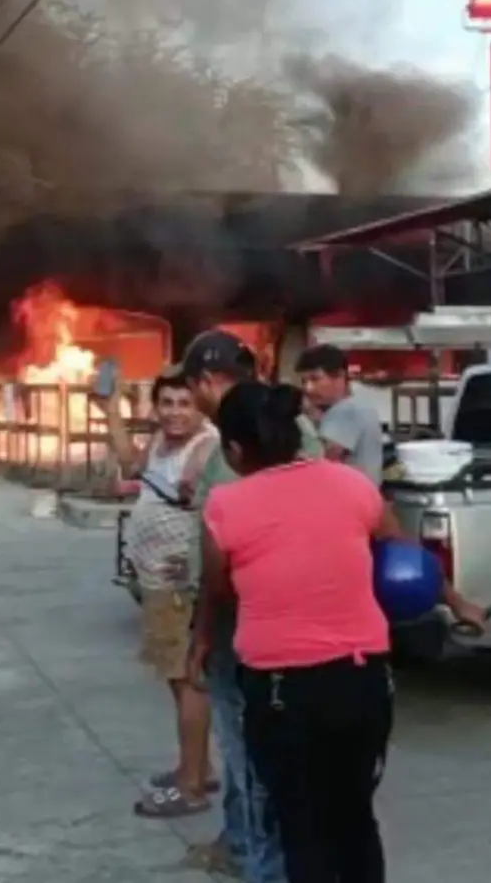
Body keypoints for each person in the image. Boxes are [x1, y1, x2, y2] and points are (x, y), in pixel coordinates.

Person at [195, 382, 491, 883]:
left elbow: (218, 591)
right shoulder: (352, 485)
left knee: (300, 828)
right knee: (354, 819)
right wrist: (460, 603)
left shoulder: (226, 507)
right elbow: (404, 559)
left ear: (236, 450)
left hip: (278, 691)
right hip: (360, 683)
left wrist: (202, 640)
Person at [176, 329, 320, 883]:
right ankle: (239, 840)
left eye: (194, 391)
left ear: (206, 382)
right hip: (261, 613)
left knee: (250, 750)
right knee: (246, 748)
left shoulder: (260, 435)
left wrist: (203, 633)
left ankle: (260, 856)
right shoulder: (256, 430)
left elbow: (240, 547)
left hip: (250, 619)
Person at [99, 369, 219, 818]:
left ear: (199, 407)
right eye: (166, 403)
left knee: (188, 679)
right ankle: (197, 766)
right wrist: (110, 411)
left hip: (178, 582)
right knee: (174, 676)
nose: (173, 413)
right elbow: (134, 467)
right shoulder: (162, 441)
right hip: (155, 579)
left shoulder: (205, 445)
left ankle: (190, 787)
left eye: (184, 403)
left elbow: (201, 504)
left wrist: (193, 564)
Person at [295, 344, 386, 485]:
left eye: (315, 379)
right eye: (304, 381)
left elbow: (321, 462)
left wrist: (306, 419)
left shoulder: (345, 411)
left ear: (340, 375)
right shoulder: (360, 405)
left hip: (349, 499)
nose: (308, 388)